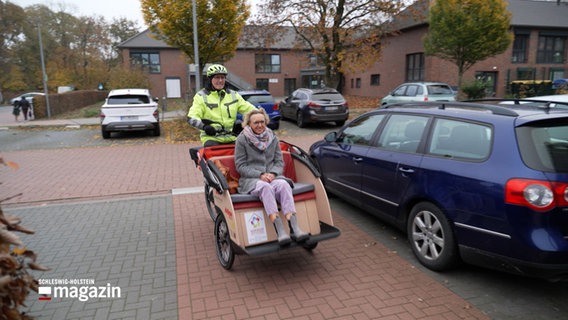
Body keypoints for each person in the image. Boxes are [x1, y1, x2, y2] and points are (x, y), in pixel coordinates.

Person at [234, 108, 309, 245]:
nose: (260, 125)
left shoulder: (272, 137)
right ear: (248, 124)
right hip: (252, 180)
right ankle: (280, 230)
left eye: (262, 122)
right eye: (256, 122)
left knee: (284, 185)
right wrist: (260, 175)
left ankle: (295, 228)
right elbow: (241, 166)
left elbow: (279, 161)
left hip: (272, 177)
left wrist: (273, 174)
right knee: (265, 187)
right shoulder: (242, 140)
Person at [187, 64, 257, 146]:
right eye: (217, 77)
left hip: (232, 137)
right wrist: (204, 127)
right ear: (210, 79)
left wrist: (262, 119)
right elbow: (191, 118)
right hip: (211, 138)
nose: (220, 80)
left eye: (222, 77)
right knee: (213, 156)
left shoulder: (234, 95)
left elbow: (251, 110)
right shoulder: (201, 96)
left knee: (248, 152)